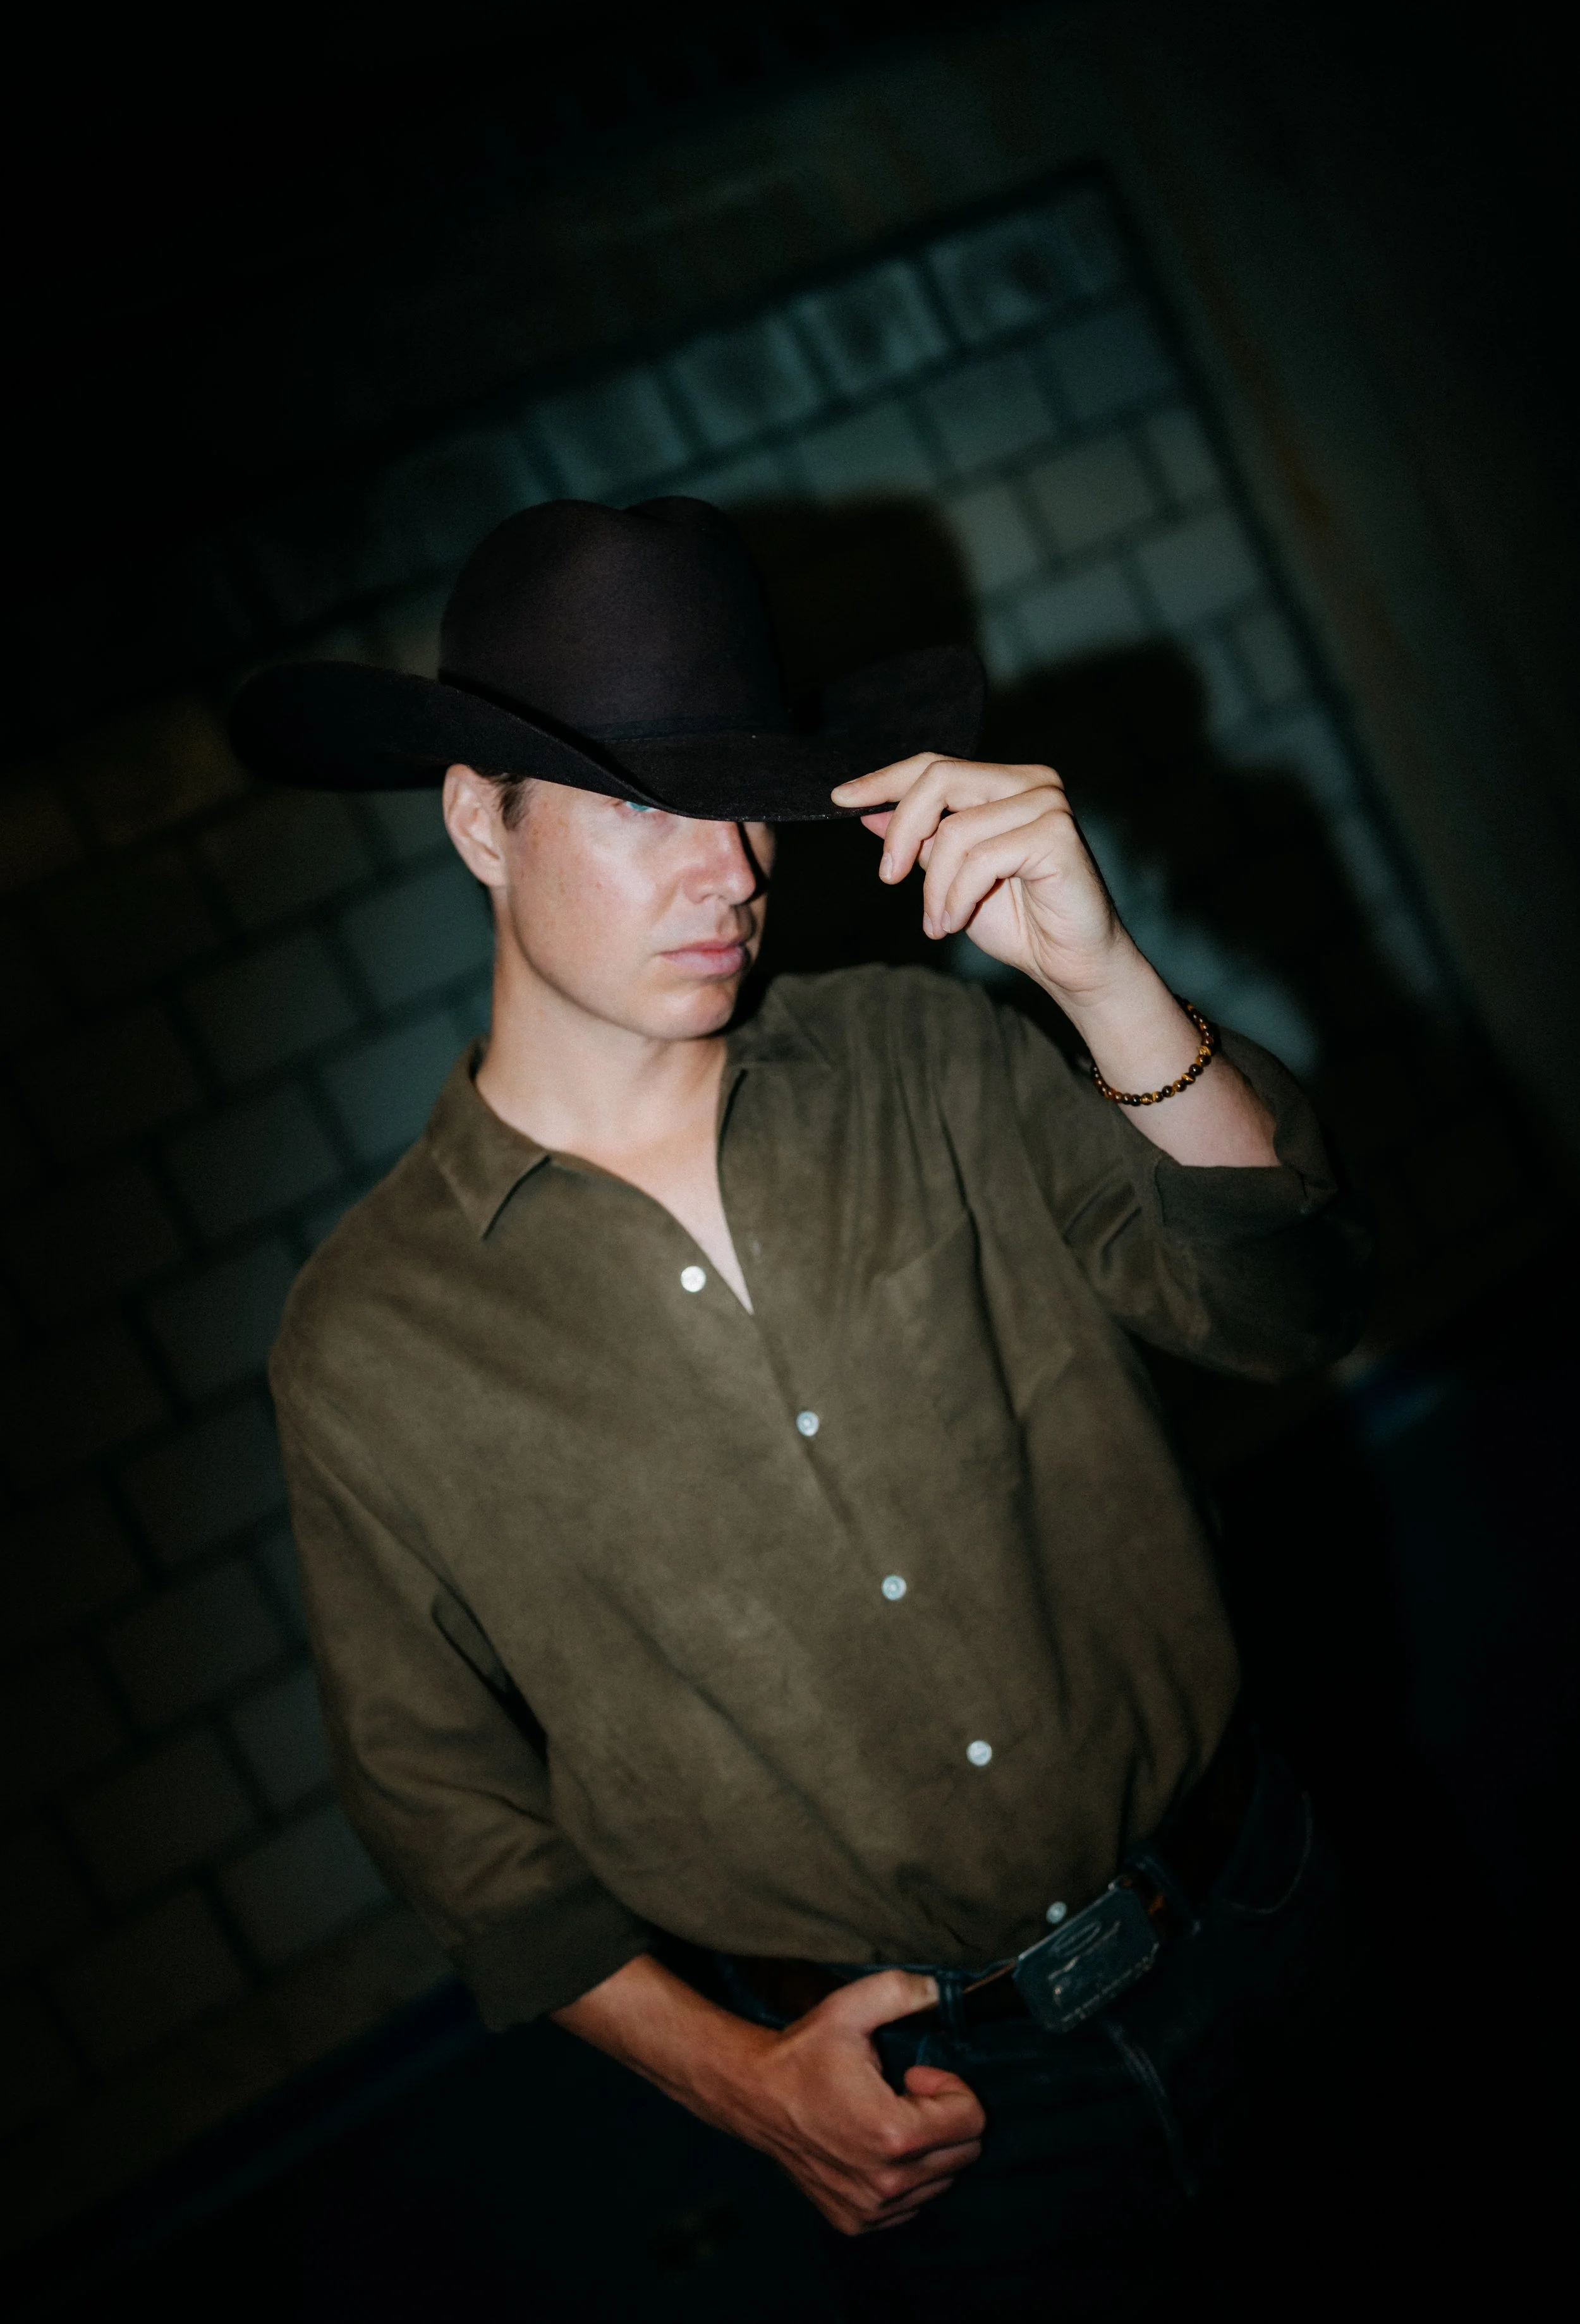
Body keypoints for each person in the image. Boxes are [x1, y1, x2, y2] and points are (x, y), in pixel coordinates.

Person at [236, 497, 1370, 2320]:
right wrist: (737, 2081)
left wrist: (1095, 975)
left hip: (1263, 1911)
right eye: (640, 805)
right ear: (477, 817)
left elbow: (1286, 1294)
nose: (730, 873)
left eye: (747, 801)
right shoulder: (371, 1339)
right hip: (937, 2114)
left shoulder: (925, 1056)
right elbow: (446, 1808)